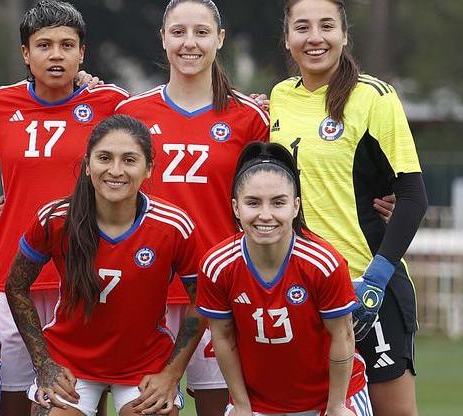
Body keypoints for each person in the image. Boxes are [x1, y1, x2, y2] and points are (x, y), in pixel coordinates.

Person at [270, 1, 427, 414]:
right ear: (287, 40)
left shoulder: (374, 96)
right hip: (300, 289)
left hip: (365, 287)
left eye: (327, 26)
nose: (315, 37)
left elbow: (412, 197)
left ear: (344, 35)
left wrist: (375, 279)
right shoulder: (279, 97)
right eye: (302, 27)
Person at [112, 1, 269, 413]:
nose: (189, 43)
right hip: (146, 289)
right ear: (163, 38)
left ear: (219, 39)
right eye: (178, 32)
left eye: (201, 32)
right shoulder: (131, 113)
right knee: (147, 405)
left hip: (220, 288)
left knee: (222, 405)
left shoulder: (250, 117)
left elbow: (271, 198)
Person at [0, 2, 131, 413]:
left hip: (82, 270)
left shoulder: (110, 102)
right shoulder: (0, 103)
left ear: (83, 53)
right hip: (11, 272)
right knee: (9, 393)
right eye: (44, 45)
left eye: (67, 45)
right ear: (26, 53)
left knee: (79, 396)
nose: (56, 54)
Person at [6, 115, 205, 416]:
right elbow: (15, 285)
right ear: (87, 164)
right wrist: (44, 362)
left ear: (149, 168)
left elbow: (201, 298)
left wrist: (171, 373)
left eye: (129, 160)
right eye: (104, 158)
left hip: (144, 364)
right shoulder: (57, 219)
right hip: (70, 363)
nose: (115, 170)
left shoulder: (172, 226)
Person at [196, 142, 372, 415]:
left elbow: (343, 335)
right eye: (253, 202)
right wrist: (240, 405)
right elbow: (223, 336)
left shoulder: (323, 263)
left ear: (295, 206)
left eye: (278, 202)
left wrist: (337, 406)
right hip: (258, 403)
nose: (265, 215)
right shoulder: (217, 266)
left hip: (330, 396)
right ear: (236, 207)